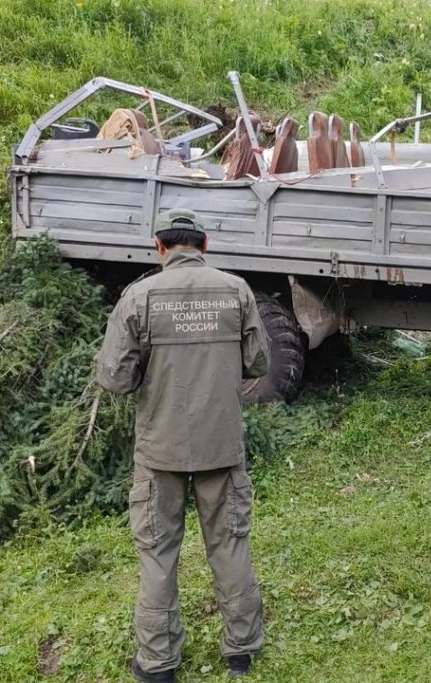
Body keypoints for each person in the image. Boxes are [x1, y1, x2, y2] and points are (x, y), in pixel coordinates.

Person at [96, 209, 270, 682]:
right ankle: (241, 652)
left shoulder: (138, 297)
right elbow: (258, 364)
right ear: (205, 245)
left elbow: (114, 379)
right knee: (230, 545)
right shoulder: (236, 290)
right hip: (222, 447)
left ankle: (158, 664)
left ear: (159, 247)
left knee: (158, 555)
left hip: (160, 451)